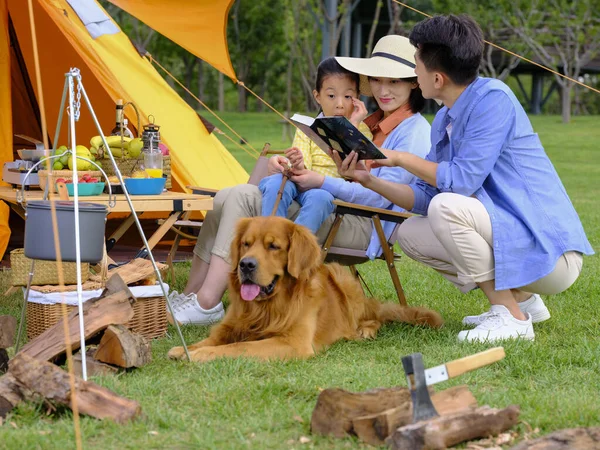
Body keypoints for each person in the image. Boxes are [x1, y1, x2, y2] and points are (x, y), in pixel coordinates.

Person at [334, 14, 594, 343]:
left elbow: (460, 182)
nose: (415, 72)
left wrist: (400, 157)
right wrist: (369, 180)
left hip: (551, 255)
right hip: (512, 239)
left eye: (416, 64)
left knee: (447, 206)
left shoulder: (493, 100)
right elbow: (425, 196)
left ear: (438, 78)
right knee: (410, 231)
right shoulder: (445, 116)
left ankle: (511, 318)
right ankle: (524, 301)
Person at [168, 35, 432, 326]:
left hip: (363, 223)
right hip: (340, 210)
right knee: (225, 197)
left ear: (413, 82)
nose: (383, 89)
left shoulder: (413, 130)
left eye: (394, 82)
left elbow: (383, 197)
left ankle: (207, 303)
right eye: (379, 80)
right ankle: (193, 294)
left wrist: (321, 182)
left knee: (242, 197)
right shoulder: (376, 122)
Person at [259, 57, 373, 234]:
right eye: (331, 96)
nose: (340, 104)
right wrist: (296, 164)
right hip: (300, 182)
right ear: (317, 96)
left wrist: (354, 127)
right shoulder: (309, 127)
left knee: (320, 197)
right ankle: (271, 239)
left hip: (325, 189)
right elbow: (302, 167)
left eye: (348, 96)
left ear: (357, 98)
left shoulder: (363, 131)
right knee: (275, 183)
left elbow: (359, 172)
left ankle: (298, 250)